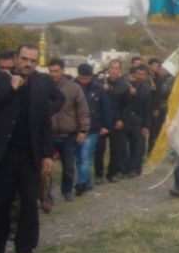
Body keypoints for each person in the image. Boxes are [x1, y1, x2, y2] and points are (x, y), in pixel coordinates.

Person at [0, 44, 61, 253]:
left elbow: (45, 123)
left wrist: (47, 155)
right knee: (0, 205)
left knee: (28, 206)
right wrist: (10, 89)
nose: (28, 64)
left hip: (30, 157)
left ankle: (25, 251)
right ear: (15, 59)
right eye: (24, 59)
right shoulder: (1, 80)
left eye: (32, 61)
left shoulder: (42, 85)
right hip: (2, 156)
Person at [47, 58, 90, 202]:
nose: (53, 74)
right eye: (51, 71)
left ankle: (66, 190)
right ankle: (46, 195)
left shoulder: (74, 88)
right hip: (48, 134)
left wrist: (83, 130)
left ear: (63, 71)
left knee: (68, 167)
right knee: (46, 168)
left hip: (69, 134)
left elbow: (83, 110)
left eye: (56, 71)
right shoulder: (44, 87)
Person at [74, 63, 111, 194]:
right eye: (82, 78)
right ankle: (87, 182)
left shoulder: (98, 88)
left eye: (87, 78)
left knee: (85, 158)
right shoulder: (73, 87)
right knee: (79, 159)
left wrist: (106, 125)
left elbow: (105, 107)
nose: (84, 81)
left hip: (93, 127)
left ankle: (81, 183)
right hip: (75, 128)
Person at [104, 59, 133, 182]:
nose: (114, 70)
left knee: (117, 149)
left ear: (120, 70)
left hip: (118, 121)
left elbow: (128, 106)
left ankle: (114, 172)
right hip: (104, 121)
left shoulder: (125, 86)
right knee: (100, 149)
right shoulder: (102, 83)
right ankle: (99, 173)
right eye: (112, 68)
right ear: (108, 69)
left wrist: (122, 119)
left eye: (116, 68)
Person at [124, 64, 152, 177]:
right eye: (138, 74)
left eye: (143, 74)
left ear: (145, 76)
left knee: (137, 145)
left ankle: (134, 168)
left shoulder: (146, 90)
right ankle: (125, 167)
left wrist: (146, 125)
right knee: (124, 145)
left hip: (139, 119)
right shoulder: (127, 86)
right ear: (134, 74)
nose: (140, 76)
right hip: (126, 118)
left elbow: (148, 109)